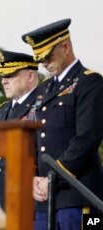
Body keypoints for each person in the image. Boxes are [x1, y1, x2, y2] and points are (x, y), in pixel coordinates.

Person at [22, 18, 103, 229]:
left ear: (65, 47)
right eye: (39, 58)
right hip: (44, 200)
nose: (44, 63)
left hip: (78, 196)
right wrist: (31, 177)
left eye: (48, 56)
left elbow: (87, 137)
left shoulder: (90, 82)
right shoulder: (43, 89)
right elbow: (33, 137)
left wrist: (54, 176)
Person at [0, 50, 39, 209]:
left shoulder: (43, 106)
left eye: (10, 76)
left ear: (30, 76)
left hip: (29, 197)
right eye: (2, 77)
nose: (4, 81)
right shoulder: (3, 110)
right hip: (2, 197)